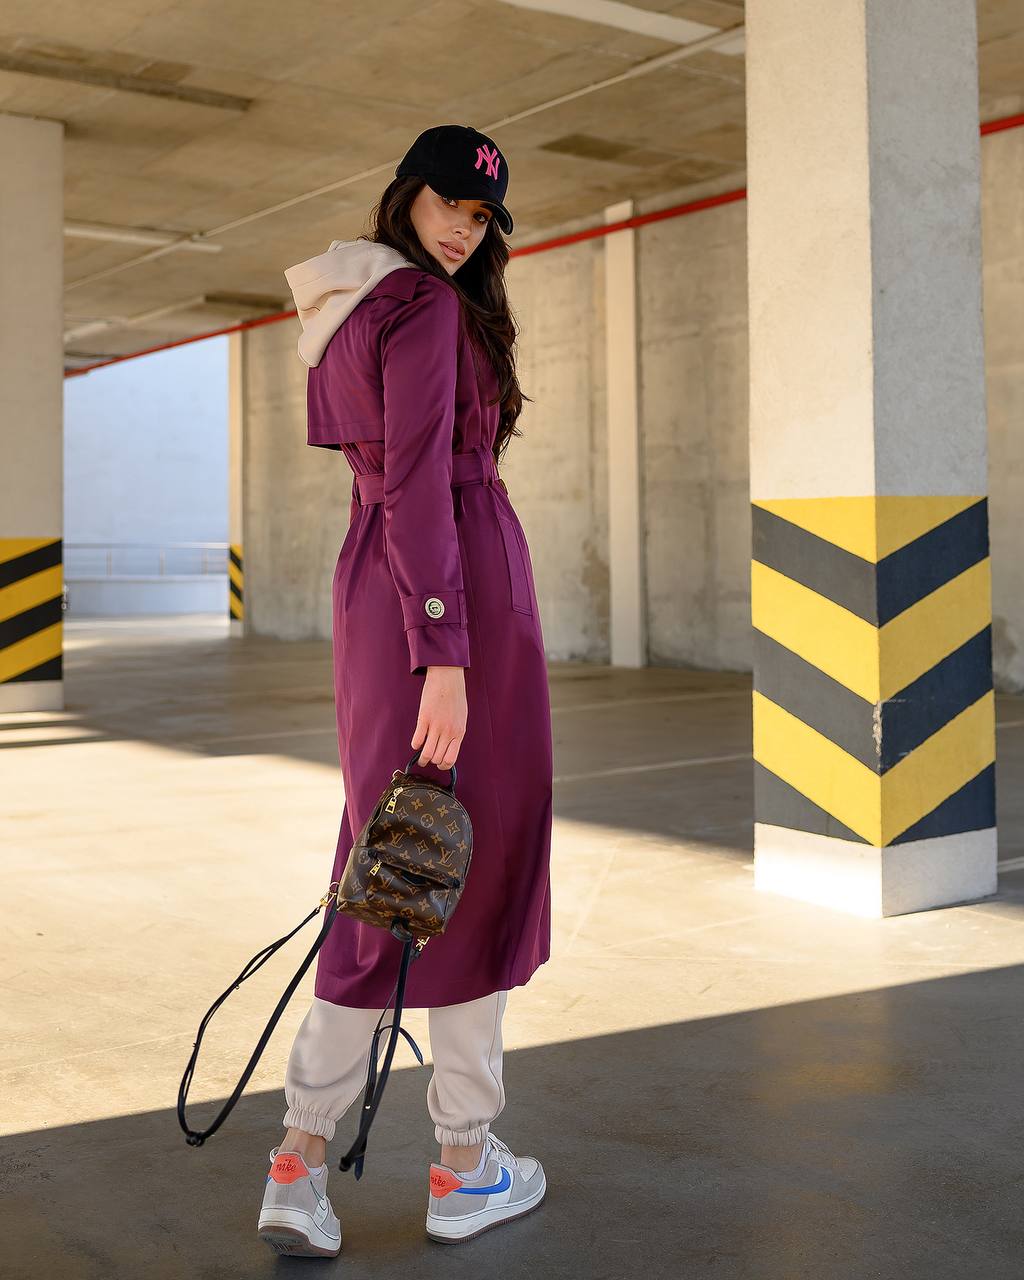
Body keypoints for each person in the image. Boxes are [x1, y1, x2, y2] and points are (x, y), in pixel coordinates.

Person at [258, 125, 553, 1256]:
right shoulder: (425, 310)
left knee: (386, 863)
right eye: (447, 203)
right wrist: (446, 646)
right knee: (467, 862)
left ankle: (298, 1159)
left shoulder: (353, 309)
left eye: (478, 219)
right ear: (406, 195)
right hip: (450, 588)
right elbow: (426, 477)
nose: (460, 228)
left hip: (375, 586)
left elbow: (389, 480)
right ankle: (465, 1162)